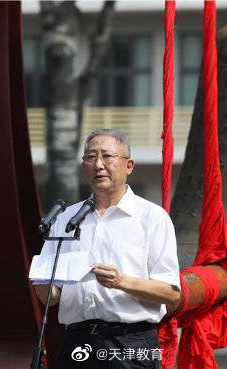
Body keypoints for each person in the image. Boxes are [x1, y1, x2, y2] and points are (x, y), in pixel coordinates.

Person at [34, 128, 181, 369]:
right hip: (77, 342)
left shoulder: (152, 217)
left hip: (133, 342)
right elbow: (50, 299)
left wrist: (121, 281)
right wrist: (40, 280)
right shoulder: (66, 218)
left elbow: (171, 294)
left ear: (129, 165)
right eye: (91, 157)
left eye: (107, 156)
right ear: (83, 167)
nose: (98, 165)